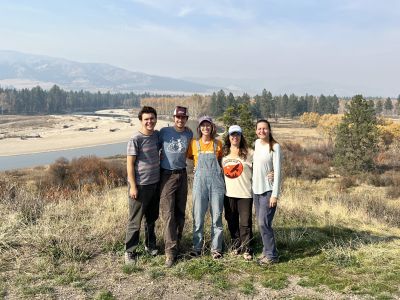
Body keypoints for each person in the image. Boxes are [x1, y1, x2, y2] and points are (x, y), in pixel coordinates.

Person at [125, 106, 161, 264]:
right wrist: (133, 186)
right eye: (146, 119)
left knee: (151, 219)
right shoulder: (135, 139)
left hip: (155, 184)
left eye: (152, 118)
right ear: (141, 121)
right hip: (140, 186)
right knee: (135, 221)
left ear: (155, 119)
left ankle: (150, 245)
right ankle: (130, 251)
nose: (149, 121)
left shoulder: (156, 136)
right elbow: (130, 164)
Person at [159, 106, 193, 267]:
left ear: (186, 118)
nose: (180, 120)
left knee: (180, 212)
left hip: (182, 174)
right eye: (178, 117)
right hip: (167, 175)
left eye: (183, 117)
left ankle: (177, 244)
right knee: (168, 214)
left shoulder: (189, 133)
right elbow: (152, 150)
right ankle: (170, 253)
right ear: (174, 118)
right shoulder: (164, 132)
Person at [187, 116, 225, 259]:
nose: (205, 128)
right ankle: (197, 247)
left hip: (216, 185)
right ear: (199, 128)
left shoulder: (218, 144)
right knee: (198, 216)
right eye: (203, 126)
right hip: (199, 184)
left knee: (217, 217)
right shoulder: (193, 144)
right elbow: (191, 159)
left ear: (212, 127)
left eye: (208, 125)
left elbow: (221, 162)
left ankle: (216, 249)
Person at [252, 119, 282, 265]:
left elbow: (278, 172)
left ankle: (272, 256)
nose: (261, 131)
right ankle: (266, 251)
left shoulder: (275, 147)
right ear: (256, 130)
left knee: (264, 223)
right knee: (261, 223)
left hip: (268, 191)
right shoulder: (256, 144)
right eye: (259, 129)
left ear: (269, 130)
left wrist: (275, 195)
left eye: (264, 128)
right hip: (256, 191)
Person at [222, 125, 253, 261]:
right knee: (231, 221)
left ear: (241, 137)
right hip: (228, 194)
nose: (235, 137)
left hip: (245, 194)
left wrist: (271, 173)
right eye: (232, 135)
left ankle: (247, 248)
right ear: (229, 137)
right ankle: (236, 245)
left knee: (245, 223)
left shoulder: (249, 153)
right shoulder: (223, 154)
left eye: (237, 135)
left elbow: (260, 170)